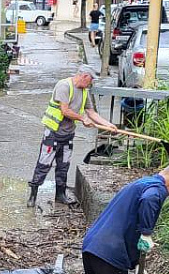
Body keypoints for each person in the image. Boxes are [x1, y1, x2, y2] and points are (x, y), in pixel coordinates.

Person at [27, 65, 117, 208]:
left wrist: (108, 125)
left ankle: (60, 195)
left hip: (68, 134)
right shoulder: (64, 86)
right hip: (53, 133)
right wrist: (82, 119)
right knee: (44, 164)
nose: (91, 83)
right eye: (91, 80)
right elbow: (65, 111)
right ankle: (33, 195)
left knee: (63, 166)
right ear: (84, 76)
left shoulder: (84, 91)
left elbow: (91, 112)